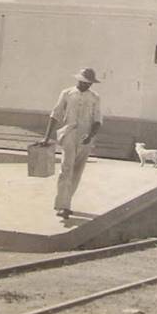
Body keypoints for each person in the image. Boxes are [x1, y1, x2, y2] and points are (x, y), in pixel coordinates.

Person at [40, 68, 102, 219]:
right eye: (84, 82)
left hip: (85, 137)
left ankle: (66, 202)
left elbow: (98, 120)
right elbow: (55, 114)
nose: (86, 85)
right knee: (66, 168)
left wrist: (90, 136)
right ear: (78, 80)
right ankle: (63, 206)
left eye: (89, 83)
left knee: (77, 171)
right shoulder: (67, 93)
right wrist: (46, 137)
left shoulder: (95, 97)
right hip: (69, 133)